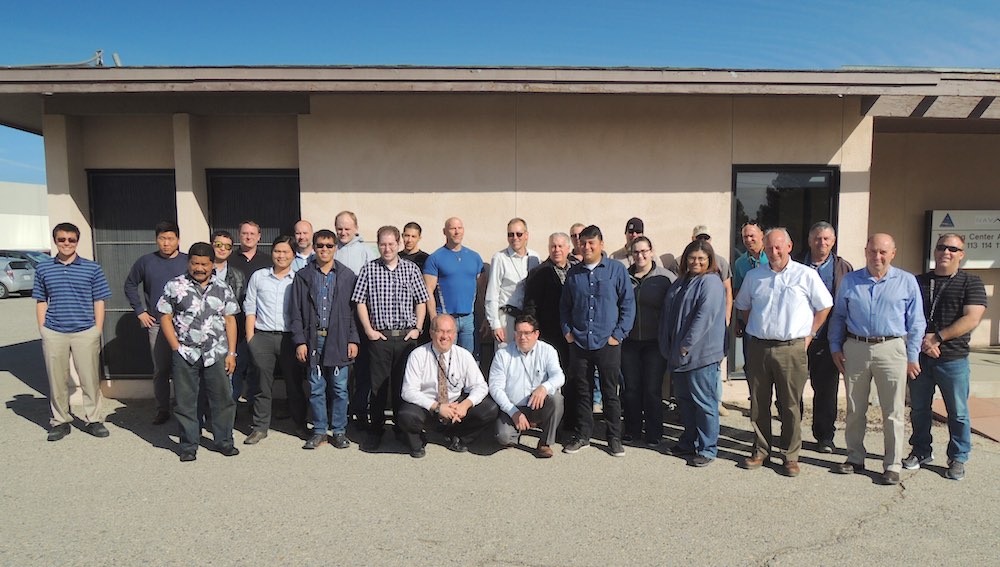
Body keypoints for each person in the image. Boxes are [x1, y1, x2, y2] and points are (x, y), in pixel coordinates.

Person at [828, 233, 925, 485]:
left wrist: (912, 355)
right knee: (854, 407)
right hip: (856, 348)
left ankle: (892, 464)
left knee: (892, 411)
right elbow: (838, 316)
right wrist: (835, 346)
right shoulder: (850, 280)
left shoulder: (906, 281)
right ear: (865, 251)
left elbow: (916, 323)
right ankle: (855, 457)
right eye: (873, 251)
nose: (877, 256)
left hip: (891, 349)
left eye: (883, 252)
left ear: (893, 253)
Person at [734, 228, 832, 478]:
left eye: (778, 247)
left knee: (789, 405)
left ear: (789, 246)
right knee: (759, 402)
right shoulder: (754, 276)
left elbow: (824, 305)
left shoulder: (806, 274)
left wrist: (809, 335)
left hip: (792, 349)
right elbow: (744, 307)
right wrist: (757, 328)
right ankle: (761, 450)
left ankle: (789, 455)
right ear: (764, 250)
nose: (774, 251)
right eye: (769, 248)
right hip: (759, 347)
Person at [906, 234, 987, 481]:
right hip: (920, 356)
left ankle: (958, 457)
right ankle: (920, 451)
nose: (946, 252)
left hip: (953, 359)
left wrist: (937, 337)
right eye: (941, 247)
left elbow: (972, 318)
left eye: (953, 248)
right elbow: (905, 313)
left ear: (961, 254)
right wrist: (923, 342)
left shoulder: (971, 282)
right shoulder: (918, 281)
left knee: (958, 411)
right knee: (919, 408)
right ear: (935, 250)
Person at [157, 242, 240, 462]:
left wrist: (232, 353)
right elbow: (164, 315)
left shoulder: (222, 288)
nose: (199, 268)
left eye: (204, 264)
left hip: (216, 351)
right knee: (186, 400)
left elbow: (230, 319)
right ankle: (188, 445)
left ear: (212, 264)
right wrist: (175, 346)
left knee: (222, 398)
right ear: (189, 262)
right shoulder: (175, 285)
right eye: (195, 263)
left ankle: (224, 441)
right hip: (186, 352)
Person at [560, 225, 635, 457]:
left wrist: (618, 334)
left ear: (601, 244)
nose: (587, 247)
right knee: (583, 391)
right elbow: (565, 306)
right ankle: (583, 435)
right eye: (583, 243)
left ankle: (614, 438)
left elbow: (628, 304)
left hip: (607, 342)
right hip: (580, 342)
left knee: (610, 391)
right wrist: (567, 332)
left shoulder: (616, 270)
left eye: (592, 242)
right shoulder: (574, 273)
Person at [352, 225, 430, 451]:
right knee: (377, 388)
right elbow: (360, 301)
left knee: (403, 387)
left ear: (398, 244)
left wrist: (417, 328)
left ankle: (401, 429)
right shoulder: (369, 270)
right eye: (382, 244)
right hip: (380, 339)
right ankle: (376, 431)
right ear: (378, 246)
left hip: (406, 338)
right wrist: (368, 330)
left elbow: (421, 300)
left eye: (391, 244)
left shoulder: (411, 269)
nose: (387, 248)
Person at [34, 222, 113, 441]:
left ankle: (94, 419)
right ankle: (60, 421)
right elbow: (41, 300)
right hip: (54, 331)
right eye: (62, 239)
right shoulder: (43, 269)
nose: (67, 243)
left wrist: (96, 330)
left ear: (77, 241)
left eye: (71, 240)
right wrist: (43, 329)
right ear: (55, 241)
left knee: (89, 378)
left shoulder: (92, 268)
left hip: (85, 331)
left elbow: (99, 300)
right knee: (57, 380)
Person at [289, 229, 359, 450]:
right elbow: (296, 311)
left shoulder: (347, 276)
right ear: (314, 247)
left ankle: (339, 431)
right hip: (313, 340)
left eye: (329, 246)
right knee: (316, 387)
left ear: (335, 248)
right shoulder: (303, 276)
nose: (324, 250)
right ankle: (319, 431)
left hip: (338, 339)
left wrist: (353, 340)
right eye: (320, 245)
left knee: (339, 388)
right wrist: (299, 341)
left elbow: (354, 311)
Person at [659, 239, 727, 466]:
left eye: (701, 258)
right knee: (685, 402)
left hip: (700, 355)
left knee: (704, 403)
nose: (696, 262)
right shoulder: (682, 281)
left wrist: (685, 345)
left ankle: (707, 448)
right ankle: (688, 442)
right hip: (679, 355)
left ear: (709, 260)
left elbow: (703, 317)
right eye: (692, 258)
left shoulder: (711, 282)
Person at [397, 315, 499, 458]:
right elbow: (408, 391)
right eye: (440, 331)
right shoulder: (418, 355)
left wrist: (465, 405)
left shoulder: (463, 355)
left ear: (455, 334)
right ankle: (419, 440)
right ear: (432, 333)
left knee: (490, 409)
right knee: (406, 415)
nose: (445, 336)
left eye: (449, 332)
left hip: (456, 407)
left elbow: (480, 386)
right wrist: (438, 407)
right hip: (429, 408)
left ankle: (459, 437)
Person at [123, 220, 189, 425]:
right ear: (156, 240)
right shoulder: (146, 261)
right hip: (158, 323)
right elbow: (130, 284)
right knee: (161, 368)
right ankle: (162, 408)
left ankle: (184, 407)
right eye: (162, 239)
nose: (166, 243)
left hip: (185, 323)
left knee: (184, 368)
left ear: (178, 240)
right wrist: (140, 311)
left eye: (170, 239)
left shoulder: (188, 261)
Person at [243, 235, 306, 444]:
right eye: (277, 251)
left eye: (286, 252)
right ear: (272, 253)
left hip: (290, 339)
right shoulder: (259, 277)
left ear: (293, 255)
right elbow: (250, 307)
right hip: (263, 336)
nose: (281, 255)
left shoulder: (298, 278)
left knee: (294, 384)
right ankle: (260, 427)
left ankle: (299, 424)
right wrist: (251, 338)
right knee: (262, 384)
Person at [796, 221, 853, 453]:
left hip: (828, 339)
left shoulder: (843, 268)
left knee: (826, 390)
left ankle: (824, 437)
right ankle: (792, 434)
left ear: (833, 242)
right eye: (818, 238)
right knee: (792, 389)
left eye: (827, 239)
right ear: (810, 241)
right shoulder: (796, 264)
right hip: (798, 338)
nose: (822, 242)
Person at [621, 236, 674, 446]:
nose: (640, 256)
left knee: (652, 389)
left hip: (654, 342)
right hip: (630, 342)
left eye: (644, 251)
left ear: (651, 252)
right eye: (636, 252)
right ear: (631, 255)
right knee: (631, 388)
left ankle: (654, 432)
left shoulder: (665, 278)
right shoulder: (624, 277)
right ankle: (633, 430)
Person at [488, 314, 565, 458]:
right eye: (519, 333)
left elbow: (559, 376)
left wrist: (544, 387)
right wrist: (514, 413)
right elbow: (495, 387)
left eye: (527, 333)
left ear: (536, 334)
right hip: (514, 406)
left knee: (557, 399)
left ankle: (545, 443)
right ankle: (522, 426)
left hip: (539, 404)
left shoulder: (548, 351)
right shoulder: (503, 354)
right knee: (503, 437)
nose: (522, 337)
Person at [423, 217, 485, 352]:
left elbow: (482, 290)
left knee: (470, 359)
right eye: (452, 228)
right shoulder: (435, 258)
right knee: (446, 357)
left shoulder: (474, 257)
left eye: (459, 228)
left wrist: (485, 318)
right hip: (445, 317)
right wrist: (434, 319)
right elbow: (428, 290)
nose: (457, 232)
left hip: (469, 318)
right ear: (445, 232)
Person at [229, 220, 271, 405]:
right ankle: (232, 410)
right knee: (234, 369)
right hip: (233, 324)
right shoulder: (229, 259)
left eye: (252, 234)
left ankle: (254, 408)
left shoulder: (268, 261)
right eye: (245, 233)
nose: (248, 237)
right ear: (239, 235)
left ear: (259, 237)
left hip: (258, 324)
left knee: (256, 369)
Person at [485, 217, 541, 349]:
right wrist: (495, 324)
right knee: (505, 360)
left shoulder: (535, 258)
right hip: (507, 320)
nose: (515, 238)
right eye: (510, 234)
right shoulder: (500, 258)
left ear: (526, 235)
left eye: (519, 234)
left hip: (528, 319)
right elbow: (492, 293)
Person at [333, 211, 377, 276]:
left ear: (356, 228)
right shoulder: (330, 249)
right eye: (340, 229)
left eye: (347, 229)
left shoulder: (366, 251)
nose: (343, 233)